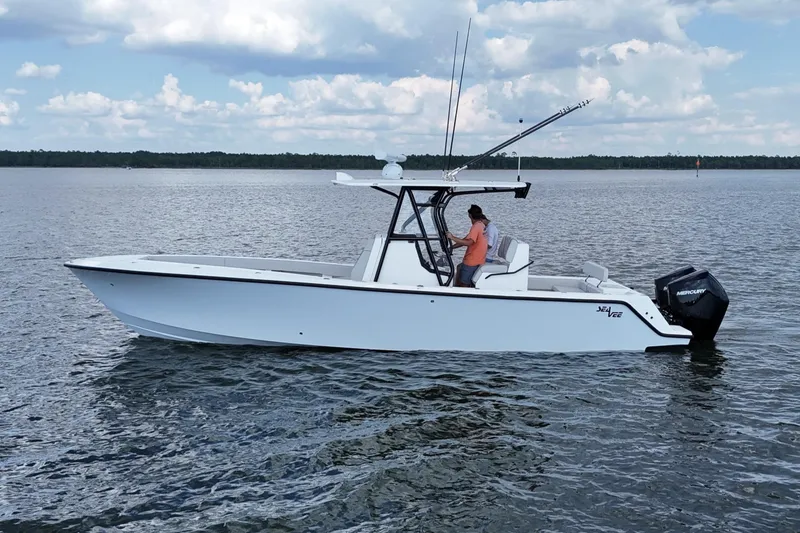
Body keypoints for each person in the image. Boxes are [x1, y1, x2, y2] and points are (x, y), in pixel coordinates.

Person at [446, 204, 488, 287]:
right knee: (459, 267)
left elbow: (468, 242)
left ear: (470, 215)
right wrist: (452, 247)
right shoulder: (481, 225)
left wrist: (451, 237)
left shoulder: (476, 227)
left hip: (472, 262)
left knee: (464, 284)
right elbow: (465, 239)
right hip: (480, 260)